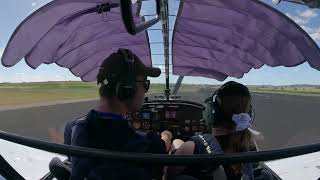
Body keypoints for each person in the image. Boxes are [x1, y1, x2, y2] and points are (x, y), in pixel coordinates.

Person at [61, 48, 172, 180]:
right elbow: (163, 163)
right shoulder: (147, 143)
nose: (145, 91)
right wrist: (168, 135)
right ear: (127, 87)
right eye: (145, 83)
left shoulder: (72, 129)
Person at [167, 81, 264, 180]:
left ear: (212, 112)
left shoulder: (195, 145)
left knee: (176, 141)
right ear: (249, 114)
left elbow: (168, 174)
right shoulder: (250, 146)